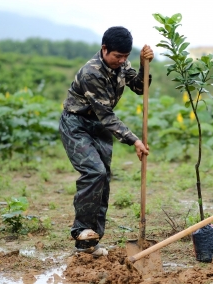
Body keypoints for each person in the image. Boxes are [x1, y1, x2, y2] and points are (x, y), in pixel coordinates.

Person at [59, 26, 154, 257]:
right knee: (94, 173)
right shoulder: (91, 72)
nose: (121, 61)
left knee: (103, 182)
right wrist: (133, 141)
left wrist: (143, 65)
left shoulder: (122, 65)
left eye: (126, 56)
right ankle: (81, 230)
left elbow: (140, 88)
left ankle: (89, 244)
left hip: (99, 128)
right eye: (117, 56)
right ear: (104, 49)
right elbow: (106, 114)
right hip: (77, 124)